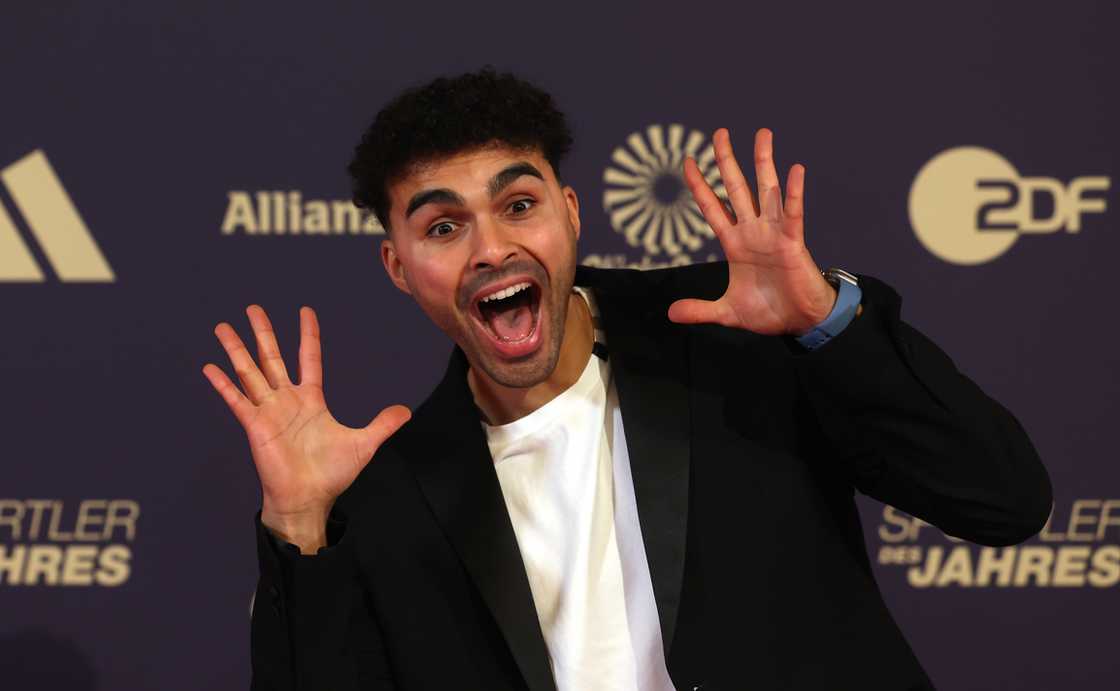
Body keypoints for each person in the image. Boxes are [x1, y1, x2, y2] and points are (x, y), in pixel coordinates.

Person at [201, 67, 1053, 691]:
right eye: (444, 225)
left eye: (519, 204)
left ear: (571, 213)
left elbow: (1004, 500)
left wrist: (826, 323)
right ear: (398, 267)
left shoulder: (734, 335)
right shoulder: (388, 494)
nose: (492, 248)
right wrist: (299, 521)